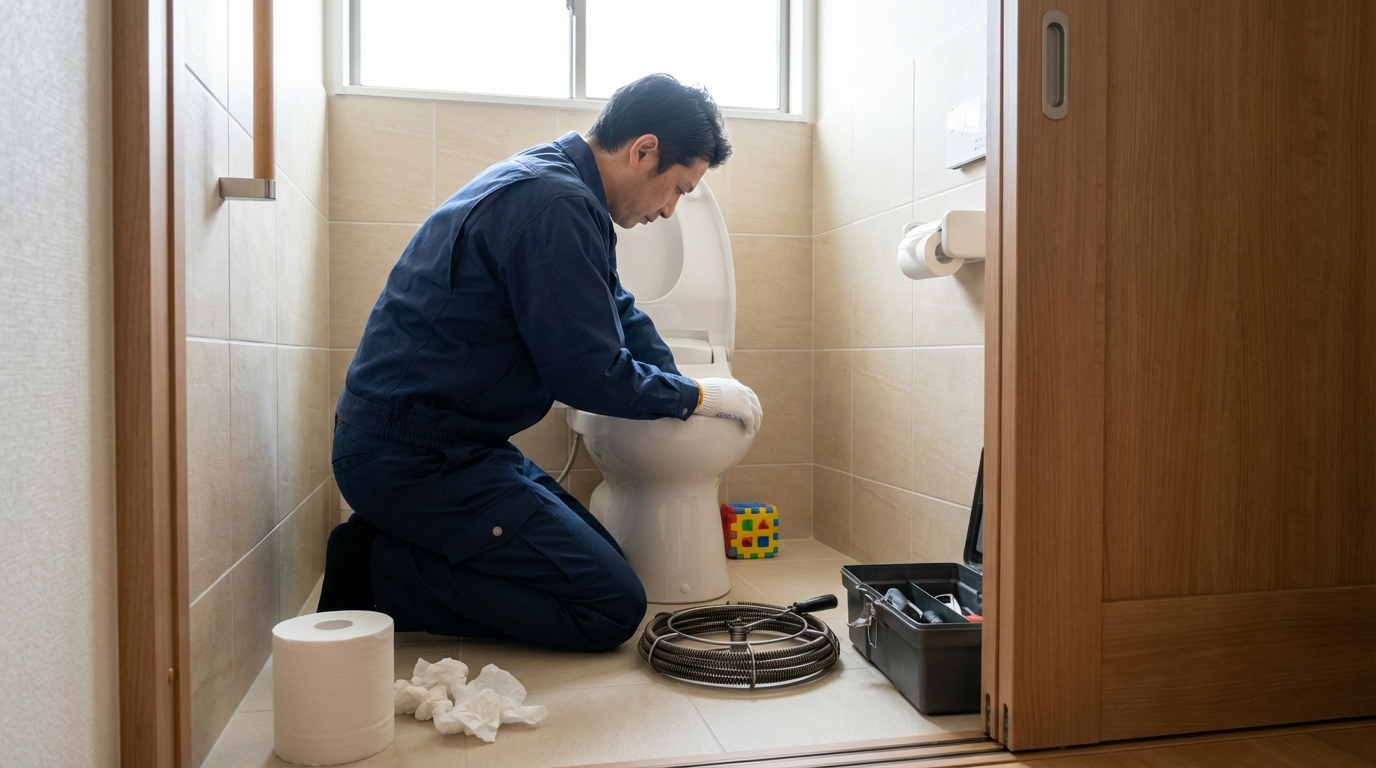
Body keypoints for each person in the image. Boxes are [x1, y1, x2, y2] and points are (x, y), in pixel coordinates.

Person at [319, 74, 762, 653]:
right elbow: (587, 374)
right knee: (609, 606)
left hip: (449, 446)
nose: (671, 210)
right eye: (678, 187)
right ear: (644, 150)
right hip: (414, 459)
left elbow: (620, 311)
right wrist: (698, 399)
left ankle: (397, 545)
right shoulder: (555, 204)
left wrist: (682, 382)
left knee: (605, 559)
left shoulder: (562, 186)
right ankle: (375, 572)